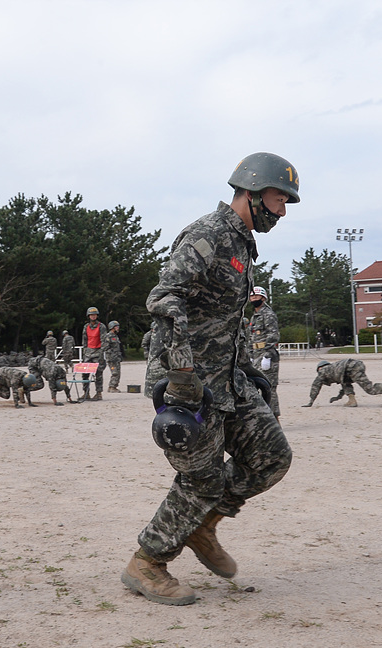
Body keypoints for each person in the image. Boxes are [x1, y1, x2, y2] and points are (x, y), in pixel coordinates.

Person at [121, 152, 299, 606]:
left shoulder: (242, 244)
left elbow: (222, 320)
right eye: (280, 200)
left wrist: (243, 371)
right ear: (254, 192)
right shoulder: (209, 235)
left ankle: (204, 525)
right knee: (201, 480)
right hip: (189, 385)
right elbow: (165, 298)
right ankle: (148, 563)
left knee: (271, 457)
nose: (282, 211)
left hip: (228, 380)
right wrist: (181, 374)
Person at [302, 359, 382, 407]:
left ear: (320, 368)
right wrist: (338, 397)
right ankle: (352, 401)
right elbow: (345, 385)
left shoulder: (323, 371)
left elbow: (316, 385)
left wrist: (311, 401)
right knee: (346, 382)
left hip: (351, 367)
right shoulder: (335, 369)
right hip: (353, 365)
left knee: (370, 389)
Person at [248, 286, 281, 417]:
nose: (253, 299)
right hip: (256, 355)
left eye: (256, 297)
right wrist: (250, 355)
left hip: (267, 356)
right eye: (252, 297)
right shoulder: (254, 316)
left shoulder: (268, 314)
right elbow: (251, 337)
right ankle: (263, 417)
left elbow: (273, 336)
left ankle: (274, 418)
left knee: (269, 388)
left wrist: (267, 355)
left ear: (263, 298)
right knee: (255, 386)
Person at [81, 307, 106, 400]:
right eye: (91, 315)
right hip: (88, 352)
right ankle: (86, 392)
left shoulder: (101, 326)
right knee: (84, 373)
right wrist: (85, 351)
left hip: (97, 352)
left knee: (98, 373)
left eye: (94, 315)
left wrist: (101, 352)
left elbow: (104, 340)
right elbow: (84, 340)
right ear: (89, 316)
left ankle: (98, 393)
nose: (93, 316)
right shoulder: (86, 327)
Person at [104, 320, 123, 393]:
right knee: (115, 373)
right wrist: (112, 356)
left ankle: (113, 386)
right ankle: (112, 387)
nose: (118, 328)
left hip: (116, 358)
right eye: (116, 327)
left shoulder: (115, 336)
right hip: (112, 359)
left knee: (118, 372)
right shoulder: (108, 336)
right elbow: (106, 348)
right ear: (112, 327)